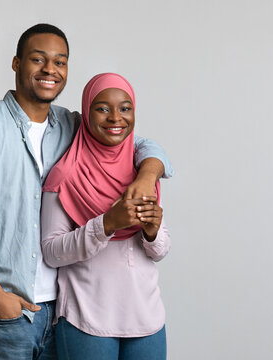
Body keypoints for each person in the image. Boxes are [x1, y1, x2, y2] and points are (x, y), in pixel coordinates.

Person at [0, 25, 173, 360]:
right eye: (38, 59)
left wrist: (148, 175)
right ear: (16, 63)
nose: (50, 69)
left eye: (60, 62)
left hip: (60, 307)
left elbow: (133, 143)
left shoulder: (71, 125)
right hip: (9, 306)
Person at [41, 73, 170, 360]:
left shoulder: (142, 173)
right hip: (86, 319)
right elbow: (51, 252)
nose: (115, 117)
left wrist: (152, 230)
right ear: (86, 113)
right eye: (102, 108)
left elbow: (159, 251)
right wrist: (107, 224)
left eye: (125, 108)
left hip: (146, 318)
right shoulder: (65, 175)